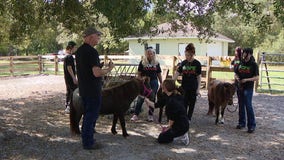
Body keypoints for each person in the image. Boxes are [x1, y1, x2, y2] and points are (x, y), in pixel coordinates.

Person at [76, 27, 115, 150]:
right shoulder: (92, 52)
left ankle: (88, 139)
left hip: (83, 88)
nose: (98, 38)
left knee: (88, 115)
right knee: (91, 116)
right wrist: (109, 69)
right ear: (90, 36)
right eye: (97, 36)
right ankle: (88, 143)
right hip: (92, 89)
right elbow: (96, 73)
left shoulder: (79, 51)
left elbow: (86, 69)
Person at [144, 79, 189, 145]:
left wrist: (168, 128)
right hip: (181, 123)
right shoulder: (170, 95)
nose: (161, 86)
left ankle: (182, 136)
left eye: (163, 86)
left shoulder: (172, 102)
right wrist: (147, 101)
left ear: (165, 88)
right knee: (164, 135)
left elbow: (172, 119)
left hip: (181, 126)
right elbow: (156, 105)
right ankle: (178, 134)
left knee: (161, 139)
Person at [130, 47, 162, 122]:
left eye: (151, 53)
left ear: (154, 54)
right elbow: (139, 74)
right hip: (144, 83)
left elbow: (159, 74)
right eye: (148, 53)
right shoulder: (142, 62)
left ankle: (150, 115)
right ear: (146, 54)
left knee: (152, 98)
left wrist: (161, 83)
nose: (149, 55)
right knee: (141, 98)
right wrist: (141, 79)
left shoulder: (156, 63)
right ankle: (135, 114)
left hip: (153, 82)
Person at [172, 43, 201, 122]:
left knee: (192, 103)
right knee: (184, 102)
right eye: (186, 55)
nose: (186, 57)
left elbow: (199, 77)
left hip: (193, 87)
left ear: (192, 54)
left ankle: (189, 118)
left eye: (188, 55)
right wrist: (171, 83)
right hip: (184, 87)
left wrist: (198, 89)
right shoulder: (183, 63)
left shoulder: (197, 64)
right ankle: (184, 117)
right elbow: (177, 73)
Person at [234, 48, 259, 133]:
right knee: (241, 105)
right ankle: (241, 123)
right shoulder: (241, 63)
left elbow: (256, 77)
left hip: (248, 88)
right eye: (244, 53)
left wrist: (247, 80)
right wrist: (236, 77)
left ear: (250, 54)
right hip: (240, 87)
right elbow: (236, 72)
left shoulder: (254, 65)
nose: (244, 55)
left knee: (248, 106)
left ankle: (251, 125)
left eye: (246, 53)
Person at [63, 41, 77, 113]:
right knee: (72, 90)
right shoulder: (69, 57)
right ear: (71, 47)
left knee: (69, 91)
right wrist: (74, 78)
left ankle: (67, 105)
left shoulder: (67, 56)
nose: (75, 49)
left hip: (67, 77)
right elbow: (69, 68)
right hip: (70, 77)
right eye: (75, 47)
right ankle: (69, 106)